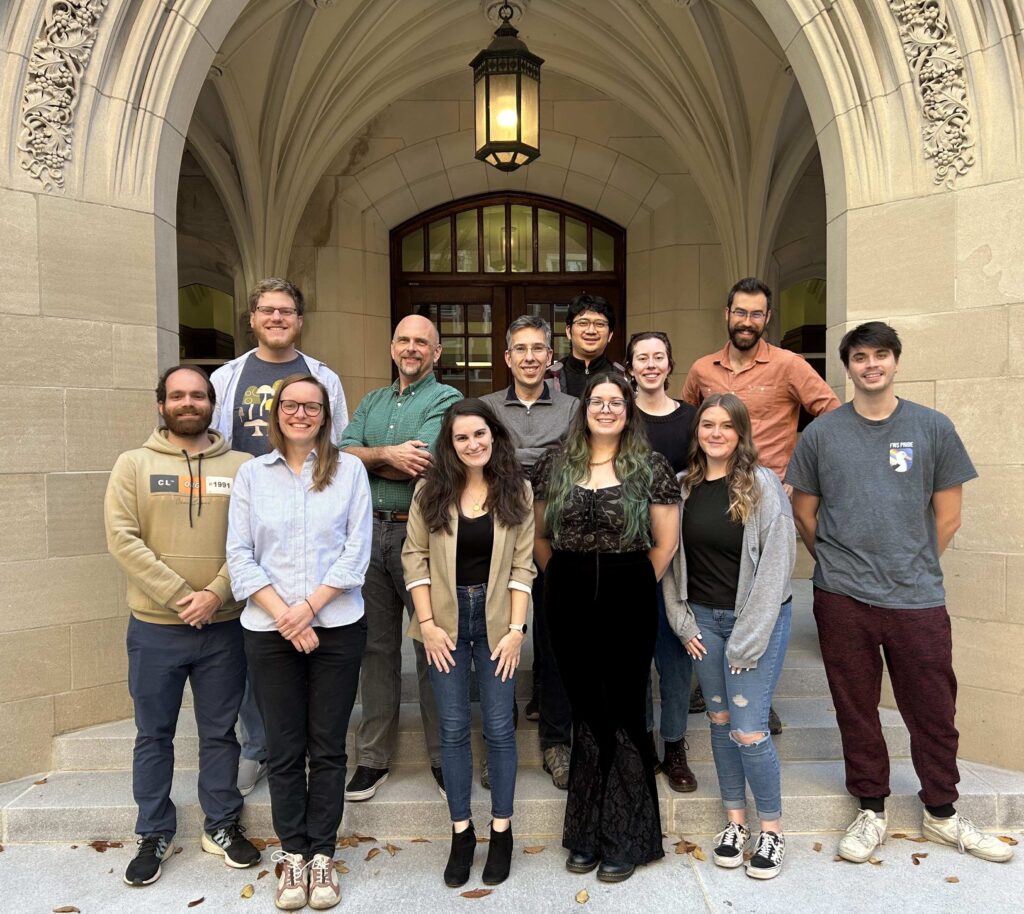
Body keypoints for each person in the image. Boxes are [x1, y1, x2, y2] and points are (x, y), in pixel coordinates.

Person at [786, 322, 1012, 865]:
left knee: (933, 707)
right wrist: (839, 564)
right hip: (842, 598)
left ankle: (941, 811)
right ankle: (871, 808)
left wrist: (906, 566)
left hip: (917, 599)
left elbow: (949, 517)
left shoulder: (932, 428)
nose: (871, 365)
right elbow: (804, 512)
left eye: (880, 355)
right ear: (847, 367)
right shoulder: (821, 434)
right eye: (860, 357)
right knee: (856, 707)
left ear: (895, 362)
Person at [105, 366, 261, 887]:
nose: (188, 402)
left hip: (224, 628)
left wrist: (215, 593)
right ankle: (152, 829)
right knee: (154, 734)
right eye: (178, 395)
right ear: (161, 404)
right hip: (155, 628)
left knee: (221, 733)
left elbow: (251, 541)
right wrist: (179, 597)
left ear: (212, 404)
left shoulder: (243, 467)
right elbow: (124, 540)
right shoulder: (133, 464)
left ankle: (220, 824)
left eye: (198, 395)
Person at [227, 373, 372, 910]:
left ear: (326, 413)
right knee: (285, 749)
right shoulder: (251, 475)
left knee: (328, 748)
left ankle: (322, 856)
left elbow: (356, 552)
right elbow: (239, 554)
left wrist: (307, 609)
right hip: (268, 632)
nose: (301, 414)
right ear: (277, 411)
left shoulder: (350, 470)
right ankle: (292, 856)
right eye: (292, 405)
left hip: (336, 627)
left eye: (312, 406)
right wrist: (285, 615)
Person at [532, 373, 681, 883]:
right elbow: (540, 534)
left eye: (615, 402)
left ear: (628, 409)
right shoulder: (555, 463)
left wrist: (628, 585)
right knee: (586, 710)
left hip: (628, 592)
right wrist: (563, 581)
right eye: (597, 401)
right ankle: (586, 834)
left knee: (623, 708)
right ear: (584, 408)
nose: (606, 409)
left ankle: (626, 835)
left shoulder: (652, 467)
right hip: (567, 590)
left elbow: (664, 544)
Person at [680, 276, 837, 735]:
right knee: (709, 587)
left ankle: (756, 692)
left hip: (765, 499)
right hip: (712, 494)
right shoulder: (702, 370)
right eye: (739, 312)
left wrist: (798, 479)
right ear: (727, 315)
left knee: (761, 597)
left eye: (756, 314)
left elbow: (830, 413)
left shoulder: (789, 365)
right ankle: (711, 680)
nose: (746, 321)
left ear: (767, 319)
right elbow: (692, 423)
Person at [211, 277, 349, 797]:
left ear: (299, 319)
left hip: (309, 510)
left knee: (313, 634)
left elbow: (338, 448)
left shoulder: (322, 378)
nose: (276, 318)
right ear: (252, 318)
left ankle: (307, 746)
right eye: (267, 310)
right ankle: (257, 745)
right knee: (254, 633)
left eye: (286, 311)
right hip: (246, 508)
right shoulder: (228, 377)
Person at [402, 399, 536, 888]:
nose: (473, 444)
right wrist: (429, 623)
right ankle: (462, 832)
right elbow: (414, 560)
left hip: (500, 619)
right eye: (462, 438)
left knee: (500, 728)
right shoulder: (428, 492)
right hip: (444, 621)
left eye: (480, 434)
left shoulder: (515, 489)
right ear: (450, 444)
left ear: (493, 435)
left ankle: (501, 831)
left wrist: (516, 632)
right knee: (454, 729)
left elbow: (524, 565)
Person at [664, 393, 796, 880]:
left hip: (754, 625)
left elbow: (778, 570)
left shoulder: (762, 486)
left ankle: (773, 831)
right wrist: (682, 620)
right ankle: (735, 823)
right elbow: (672, 564)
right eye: (707, 425)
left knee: (749, 729)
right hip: (704, 623)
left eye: (725, 425)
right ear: (697, 432)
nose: (715, 433)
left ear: (741, 432)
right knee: (719, 721)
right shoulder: (682, 487)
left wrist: (747, 638)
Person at [340, 314, 462, 801]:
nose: (412, 348)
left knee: (434, 647)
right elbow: (342, 453)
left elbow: (426, 458)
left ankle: (443, 755)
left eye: (422, 343)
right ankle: (372, 758)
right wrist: (387, 452)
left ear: (436, 353)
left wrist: (371, 455)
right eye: (404, 340)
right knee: (376, 650)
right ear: (393, 347)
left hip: (421, 537)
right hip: (368, 535)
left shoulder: (446, 400)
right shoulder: (371, 401)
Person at [480, 316, 576, 790]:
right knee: (498, 633)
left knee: (557, 639)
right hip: (497, 533)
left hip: (557, 533)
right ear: (507, 357)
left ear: (550, 356)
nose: (531, 357)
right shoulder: (487, 408)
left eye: (539, 348)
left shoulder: (575, 408)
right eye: (521, 349)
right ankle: (498, 736)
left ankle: (556, 742)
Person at [625, 331, 698, 793]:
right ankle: (643, 743)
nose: (650, 365)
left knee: (674, 660)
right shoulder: (618, 416)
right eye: (641, 358)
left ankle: (674, 745)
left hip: (678, 556)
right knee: (633, 658)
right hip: (627, 552)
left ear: (670, 365)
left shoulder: (691, 420)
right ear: (630, 367)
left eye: (658, 357)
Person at [546, 292, 625, 396]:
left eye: (600, 324)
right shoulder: (549, 377)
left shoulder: (623, 377)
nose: (591, 331)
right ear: (568, 331)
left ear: (610, 334)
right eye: (583, 323)